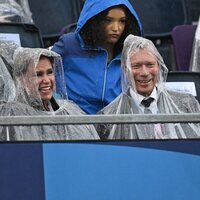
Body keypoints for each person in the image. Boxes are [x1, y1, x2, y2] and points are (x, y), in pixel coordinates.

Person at [96, 34, 200, 140]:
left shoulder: (186, 104)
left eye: (150, 65)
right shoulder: (108, 118)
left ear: (159, 67)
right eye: (136, 66)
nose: (144, 73)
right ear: (125, 70)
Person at [52, 0, 142, 114]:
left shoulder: (130, 51)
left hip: (116, 123)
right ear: (95, 20)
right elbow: (40, 70)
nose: (116, 28)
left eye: (122, 21)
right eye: (108, 20)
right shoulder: (69, 44)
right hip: (75, 123)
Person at [0, 47, 99, 141]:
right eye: (38, 74)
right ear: (21, 79)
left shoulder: (71, 110)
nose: (47, 80)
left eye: (50, 72)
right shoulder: (11, 114)